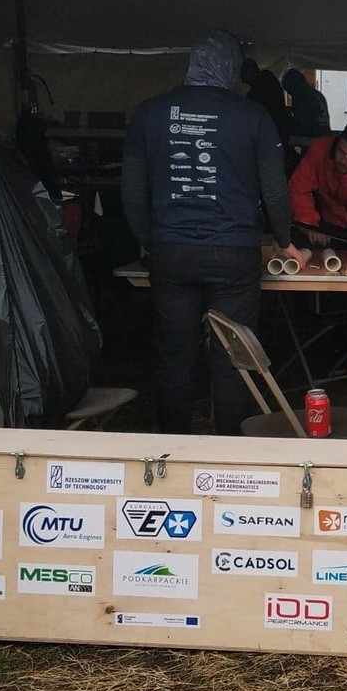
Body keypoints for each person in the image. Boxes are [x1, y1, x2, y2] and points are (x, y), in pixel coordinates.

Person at [122, 30, 304, 435]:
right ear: (232, 67)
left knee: (174, 354)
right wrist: (284, 241)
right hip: (234, 253)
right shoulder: (253, 116)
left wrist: (148, 241)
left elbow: (132, 190)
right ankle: (231, 448)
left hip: (171, 251)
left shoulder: (150, 113)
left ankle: (173, 448)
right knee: (233, 355)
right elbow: (275, 190)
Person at [239, 57, 291, 144]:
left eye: (242, 72)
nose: (241, 77)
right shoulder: (266, 81)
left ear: (251, 70)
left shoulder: (260, 88)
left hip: (271, 131)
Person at [281, 68, 331, 138]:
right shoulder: (315, 94)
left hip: (312, 136)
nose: (290, 95)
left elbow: (303, 125)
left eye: (290, 91)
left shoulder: (301, 97)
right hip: (323, 135)